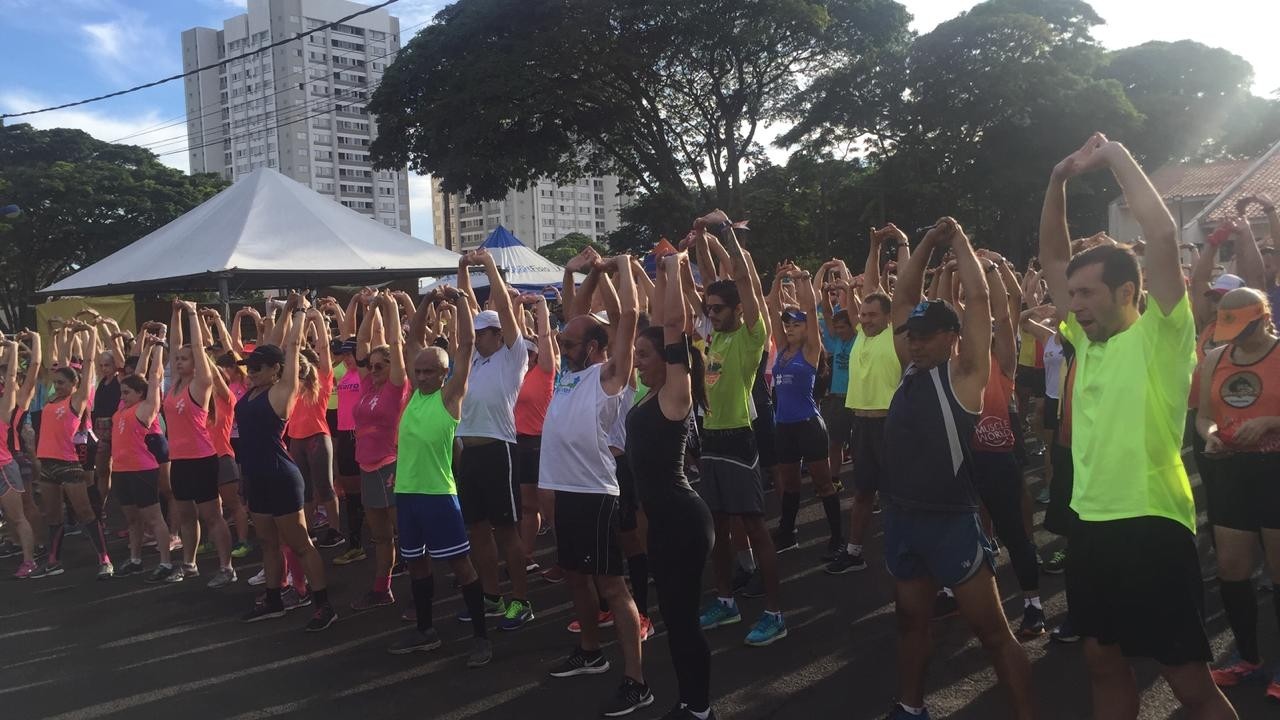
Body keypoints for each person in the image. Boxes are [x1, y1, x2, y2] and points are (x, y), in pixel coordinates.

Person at [1040, 132, 1236, 719]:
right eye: (1070, 294)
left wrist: (1116, 156)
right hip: (1089, 524)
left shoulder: (1163, 336)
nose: (1072, 303)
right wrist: (1058, 180)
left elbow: (1163, 234)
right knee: (1102, 663)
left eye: (1086, 293)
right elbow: (1053, 256)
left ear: (1128, 292)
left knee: (1186, 682)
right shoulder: (1084, 339)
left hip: (1151, 525)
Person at [877, 217, 1034, 720]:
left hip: (951, 523)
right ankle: (910, 706)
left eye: (926, 336)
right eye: (911, 336)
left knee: (993, 635)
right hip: (904, 518)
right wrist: (922, 242)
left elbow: (982, 302)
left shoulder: (966, 376)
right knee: (909, 623)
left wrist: (961, 241)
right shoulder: (910, 368)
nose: (915, 343)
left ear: (951, 336)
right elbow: (902, 300)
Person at [543, 254, 652, 716]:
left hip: (596, 494)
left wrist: (619, 266)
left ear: (593, 347)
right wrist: (581, 275)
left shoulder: (609, 377)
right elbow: (575, 315)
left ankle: (637, 680)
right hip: (566, 491)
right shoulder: (569, 373)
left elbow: (627, 315)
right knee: (575, 575)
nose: (561, 344)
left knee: (612, 586)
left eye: (569, 342)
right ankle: (590, 651)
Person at [630, 252, 718, 720]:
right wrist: (661, 275)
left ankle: (700, 709)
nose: (636, 361)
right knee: (675, 620)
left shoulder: (674, 395)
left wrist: (672, 271)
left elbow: (674, 326)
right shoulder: (649, 394)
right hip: (664, 522)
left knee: (684, 622)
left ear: (667, 360)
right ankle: (689, 700)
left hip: (684, 521)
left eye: (644, 355)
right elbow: (659, 319)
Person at [693, 210, 787, 648]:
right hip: (710, 439)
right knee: (718, 527)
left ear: (737, 311)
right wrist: (698, 239)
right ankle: (726, 601)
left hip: (739, 439)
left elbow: (745, 283)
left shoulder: (751, 336)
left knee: (754, 527)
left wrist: (726, 231)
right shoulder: (715, 336)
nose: (709, 314)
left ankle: (774, 612)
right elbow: (716, 283)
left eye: (717, 309)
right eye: (708, 309)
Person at [386, 295, 495, 667]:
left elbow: (465, 345)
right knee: (416, 565)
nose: (420, 377)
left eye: (428, 372)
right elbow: (412, 339)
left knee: (462, 567)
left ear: (443, 374)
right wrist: (427, 300)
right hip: (407, 494)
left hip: (438, 495)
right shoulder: (415, 397)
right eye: (418, 372)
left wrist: (463, 302)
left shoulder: (450, 397)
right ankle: (425, 631)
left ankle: (481, 637)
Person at [1194, 289, 1280, 700]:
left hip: (1275, 471)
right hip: (1230, 470)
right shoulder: (1216, 359)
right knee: (1231, 568)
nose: (1235, 336)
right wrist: (1211, 436)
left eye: (1242, 327)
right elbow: (1205, 416)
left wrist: (1270, 421)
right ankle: (1248, 659)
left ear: (1263, 318)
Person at [237, 293, 337, 631]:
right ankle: (274, 599)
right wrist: (280, 315)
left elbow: (289, 347)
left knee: (300, 543)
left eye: (257, 367)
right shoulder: (252, 390)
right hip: (256, 476)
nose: (250, 372)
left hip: (281, 476)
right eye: (249, 367)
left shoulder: (282, 391)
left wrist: (301, 312)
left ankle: (324, 606)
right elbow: (272, 343)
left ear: (275, 370)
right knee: (267, 542)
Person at [453, 248, 535, 631]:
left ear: (498, 333)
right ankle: (492, 595)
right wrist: (461, 269)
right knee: (477, 530)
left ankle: (521, 599)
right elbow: (465, 305)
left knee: (506, 531)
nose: (476, 336)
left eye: (482, 332)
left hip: (498, 450)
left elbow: (502, 304)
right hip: (468, 453)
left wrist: (487, 265)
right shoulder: (471, 360)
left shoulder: (512, 355)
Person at [826, 227, 905, 575]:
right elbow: (872, 284)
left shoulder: (894, 334)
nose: (866, 318)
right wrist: (873, 245)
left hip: (891, 424)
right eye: (864, 314)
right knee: (862, 493)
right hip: (861, 423)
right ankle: (854, 551)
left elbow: (894, 290)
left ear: (888, 317)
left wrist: (900, 244)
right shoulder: (860, 335)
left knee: (896, 496)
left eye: (873, 315)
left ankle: (903, 553)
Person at [764, 263, 842, 559]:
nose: (790, 328)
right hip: (784, 426)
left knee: (822, 483)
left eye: (796, 324)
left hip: (809, 425)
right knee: (790, 482)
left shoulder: (811, 351)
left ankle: (836, 537)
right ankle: (787, 533)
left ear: (806, 328)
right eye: (788, 325)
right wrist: (776, 278)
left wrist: (800, 278)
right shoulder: (782, 349)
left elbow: (811, 310)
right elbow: (773, 312)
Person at [30, 319, 113, 579]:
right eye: (56, 383)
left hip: (68, 464)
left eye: (62, 383)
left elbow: (88, 367)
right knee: (53, 516)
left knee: (86, 512)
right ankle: (54, 560)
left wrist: (90, 333)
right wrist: (61, 334)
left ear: (74, 386)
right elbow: (60, 362)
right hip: (48, 465)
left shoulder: (76, 402)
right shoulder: (53, 399)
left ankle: (105, 558)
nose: (57, 386)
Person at [166, 300, 235, 587]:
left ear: (196, 363)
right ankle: (189, 564)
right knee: (185, 515)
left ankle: (227, 567)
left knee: (212, 516)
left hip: (202, 459)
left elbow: (195, 347)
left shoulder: (200, 384)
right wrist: (175, 313)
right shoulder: (174, 386)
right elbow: (174, 347)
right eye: (177, 360)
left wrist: (193, 313)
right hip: (179, 460)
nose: (179, 361)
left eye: (185, 359)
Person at [351, 292, 410, 611]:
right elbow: (361, 347)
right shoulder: (366, 387)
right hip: (366, 466)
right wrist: (369, 308)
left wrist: (388, 309)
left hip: (391, 465)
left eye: (379, 365)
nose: (372, 369)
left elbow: (398, 347)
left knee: (406, 532)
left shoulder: (396, 388)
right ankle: (381, 588)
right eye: (371, 365)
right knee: (380, 535)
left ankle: (420, 590)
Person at [111, 338, 183, 583]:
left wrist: (159, 345)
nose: (123, 396)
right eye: (122, 392)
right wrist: (146, 348)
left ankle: (165, 563)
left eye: (127, 392)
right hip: (120, 470)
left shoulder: (146, 408)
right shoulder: (123, 408)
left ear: (140, 394)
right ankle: (135, 559)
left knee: (154, 518)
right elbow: (138, 374)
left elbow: (152, 376)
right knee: (133, 520)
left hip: (142, 470)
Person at [287, 307, 343, 550]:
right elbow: (291, 347)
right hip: (296, 439)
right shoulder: (291, 383)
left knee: (324, 486)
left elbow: (323, 348)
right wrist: (296, 320)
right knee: (305, 489)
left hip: (318, 437)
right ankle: (308, 530)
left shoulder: (322, 378)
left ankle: (335, 530)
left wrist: (319, 319)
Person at [513, 295, 558, 581]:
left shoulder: (544, 372)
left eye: (531, 352)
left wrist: (541, 305)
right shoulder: (516, 376)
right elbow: (513, 334)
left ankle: (567, 558)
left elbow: (543, 336)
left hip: (542, 445)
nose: (527, 356)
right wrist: (515, 305)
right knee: (528, 506)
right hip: (519, 444)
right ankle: (525, 556)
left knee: (551, 509)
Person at [1, 332, 41, 578]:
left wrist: (15, 346)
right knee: (14, 515)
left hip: (8, 463)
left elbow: (25, 370)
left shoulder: (10, 407)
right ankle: (22, 546)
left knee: (21, 513)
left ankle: (31, 557)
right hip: (10, 460)